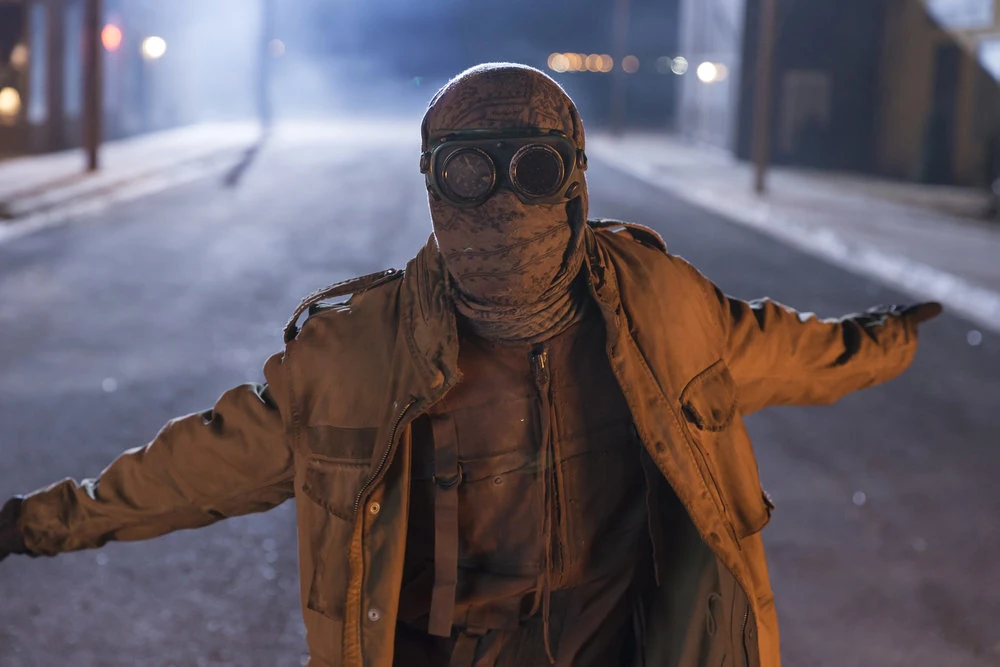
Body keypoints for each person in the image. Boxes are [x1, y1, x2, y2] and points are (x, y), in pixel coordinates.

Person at [0, 63, 942, 667]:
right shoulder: (356, 356)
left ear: (572, 180)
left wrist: (888, 337)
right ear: (434, 184)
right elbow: (197, 466)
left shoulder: (659, 306)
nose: (500, 204)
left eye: (532, 170)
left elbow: (789, 349)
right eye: (468, 172)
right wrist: (35, 522)